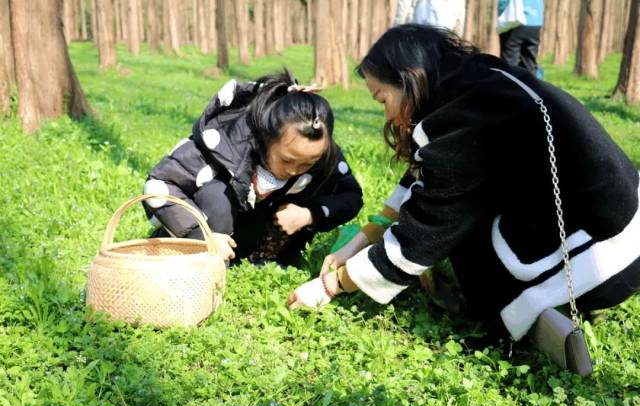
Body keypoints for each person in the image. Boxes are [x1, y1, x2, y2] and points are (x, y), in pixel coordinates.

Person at [289, 25, 640, 348]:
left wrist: (331, 285)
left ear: (411, 79)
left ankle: (526, 311)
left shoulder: (466, 118)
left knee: (462, 238)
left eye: (383, 100)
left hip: (600, 258)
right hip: (623, 227)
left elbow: (428, 228)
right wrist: (366, 235)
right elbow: (433, 174)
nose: (388, 117)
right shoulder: (476, 83)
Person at [143, 71, 363, 266]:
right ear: (266, 138)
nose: (296, 170)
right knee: (217, 196)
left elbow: (351, 196)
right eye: (287, 160)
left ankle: (269, 259)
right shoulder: (226, 141)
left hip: (265, 245)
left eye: (308, 163)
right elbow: (159, 184)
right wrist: (202, 236)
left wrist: (309, 214)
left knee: (314, 185)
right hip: (209, 236)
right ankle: (207, 264)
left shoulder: (319, 151)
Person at [497, 0, 544, 76]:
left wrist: (501, 16)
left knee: (509, 65)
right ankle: (532, 85)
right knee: (530, 64)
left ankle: (509, 86)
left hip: (515, 21)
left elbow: (503, 4)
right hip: (535, 21)